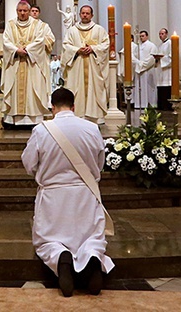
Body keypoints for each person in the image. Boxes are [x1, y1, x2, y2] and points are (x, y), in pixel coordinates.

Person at [22, 87, 114, 297]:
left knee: (49, 240)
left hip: (53, 197)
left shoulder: (42, 130)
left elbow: (29, 163)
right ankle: (92, 257)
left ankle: (61, 256)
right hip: (85, 194)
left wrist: (47, 174)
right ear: (74, 107)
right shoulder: (92, 128)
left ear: (52, 107)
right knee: (91, 237)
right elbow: (99, 164)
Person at [1, 0, 54, 128]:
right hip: (15, 64)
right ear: (17, 11)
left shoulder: (38, 25)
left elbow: (40, 40)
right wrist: (16, 50)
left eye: (25, 11)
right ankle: (12, 120)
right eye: (20, 11)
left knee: (33, 88)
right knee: (14, 90)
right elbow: (6, 41)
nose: (23, 13)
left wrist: (28, 50)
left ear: (29, 11)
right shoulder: (10, 25)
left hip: (32, 64)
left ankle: (32, 119)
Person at [61, 5, 110, 123]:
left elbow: (105, 44)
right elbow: (66, 45)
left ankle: (95, 117)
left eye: (87, 13)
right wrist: (77, 50)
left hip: (94, 68)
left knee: (94, 90)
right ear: (79, 15)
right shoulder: (72, 30)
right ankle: (78, 116)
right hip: (77, 67)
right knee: (76, 90)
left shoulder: (99, 30)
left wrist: (93, 49)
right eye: (83, 13)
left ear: (92, 15)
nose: (85, 15)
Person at [132, 30, 158, 109]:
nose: (141, 38)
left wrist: (142, 65)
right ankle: (139, 104)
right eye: (140, 36)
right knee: (139, 86)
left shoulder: (152, 46)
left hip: (148, 69)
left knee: (148, 87)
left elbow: (152, 58)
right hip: (139, 69)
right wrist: (138, 63)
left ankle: (150, 104)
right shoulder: (137, 47)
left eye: (143, 36)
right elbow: (133, 56)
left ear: (147, 36)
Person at [155, 28, 172, 111]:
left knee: (166, 87)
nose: (160, 35)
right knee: (160, 86)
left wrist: (162, 59)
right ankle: (161, 105)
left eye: (162, 34)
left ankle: (167, 106)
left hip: (167, 70)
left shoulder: (170, 43)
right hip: (161, 69)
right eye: (159, 34)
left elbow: (171, 57)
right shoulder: (160, 45)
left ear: (166, 34)